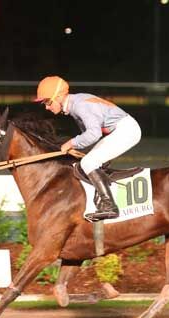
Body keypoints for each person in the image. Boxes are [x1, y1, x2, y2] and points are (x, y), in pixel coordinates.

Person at [35, 75, 142, 221]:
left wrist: (71, 143)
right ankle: (104, 196)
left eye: (48, 102)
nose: (47, 107)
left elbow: (93, 133)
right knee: (88, 161)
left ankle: (109, 206)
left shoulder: (80, 105)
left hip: (126, 130)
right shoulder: (75, 103)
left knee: (88, 163)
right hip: (121, 129)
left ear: (59, 96)